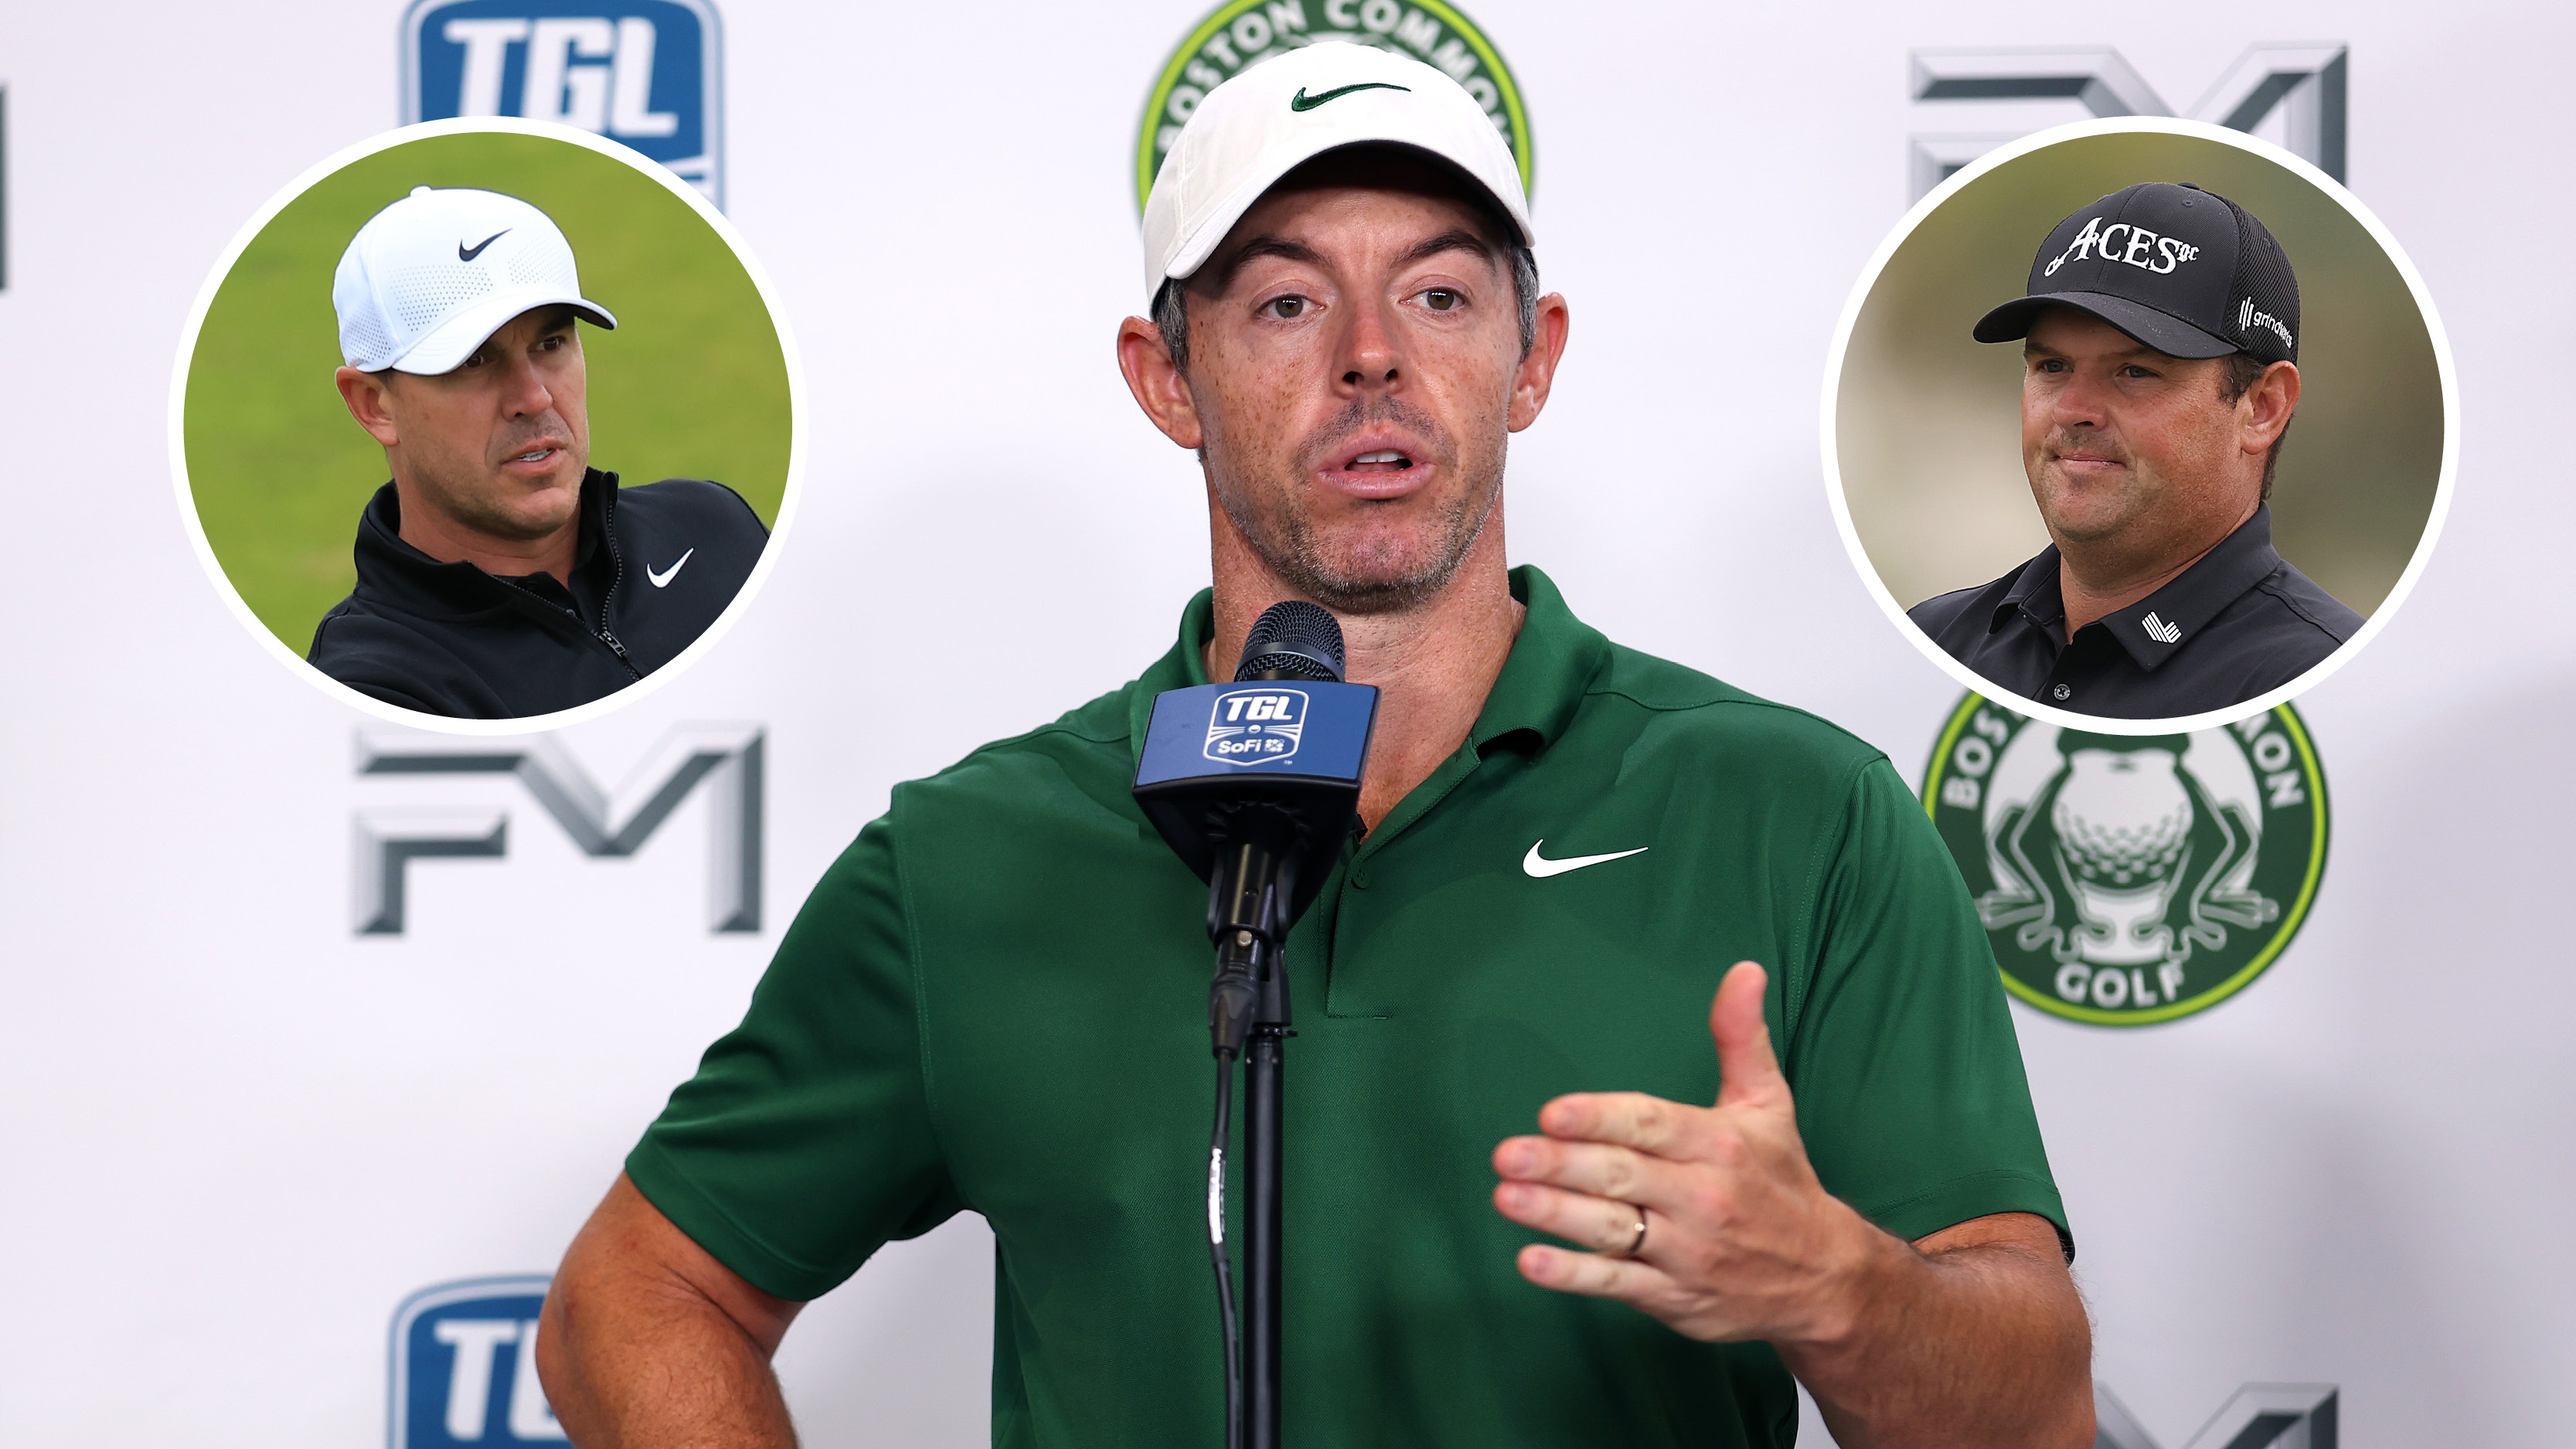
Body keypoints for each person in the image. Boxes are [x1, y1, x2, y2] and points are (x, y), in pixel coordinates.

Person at [537, 43, 2091, 1449]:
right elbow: (641, 1290)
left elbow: (2034, 1409)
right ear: (1167, 380)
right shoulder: (969, 853)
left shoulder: (1794, 812)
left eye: (1437, 293)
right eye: (1284, 300)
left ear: (1529, 356)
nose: (1370, 355)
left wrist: (1840, 1288)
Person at [311, 185, 768, 719]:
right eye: (475, 361)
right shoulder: (373, 689)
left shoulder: (712, 529)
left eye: (550, 344)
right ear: (375, 405)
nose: (534, 397)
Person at [1911, 181, 2361, 719]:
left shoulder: (2331, 687)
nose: (2073, 409)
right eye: (2051, 366)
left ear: (2261, 407)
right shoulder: (1930, 645)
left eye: (2135, 371)